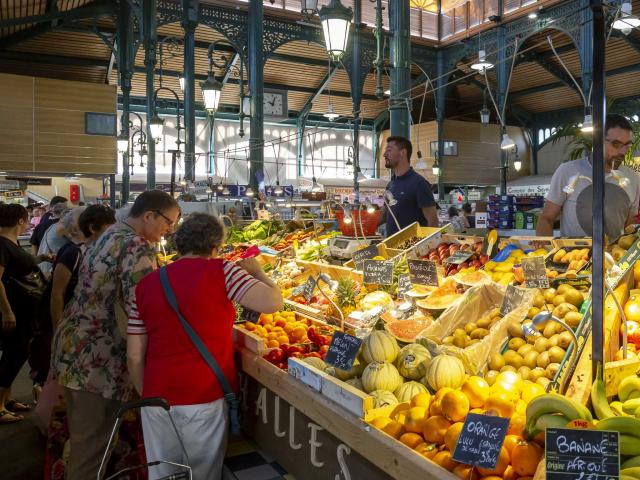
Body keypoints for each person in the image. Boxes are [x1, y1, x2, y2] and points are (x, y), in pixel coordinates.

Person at [127, 213, 283, 479]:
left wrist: (148, 392)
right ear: (216, 246)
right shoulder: (223, 271)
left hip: (156, 396)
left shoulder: (143, 286)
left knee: (163, 474)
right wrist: (257, 272)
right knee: (202, 474)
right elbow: (273, 302)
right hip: (204, 395)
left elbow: (134, 354)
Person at [51, 190, 180, 480]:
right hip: (99, 360)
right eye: (168, 222)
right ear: (149, 216)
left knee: (85, 441)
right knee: (93, 449)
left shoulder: (109, 235)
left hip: (75, 349)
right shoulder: (137, 246)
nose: (169, 230)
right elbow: (146, 305)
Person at [537, 114, 640, 238]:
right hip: (573, 255)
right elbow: (546, 219)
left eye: (627, 145)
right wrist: (546, 249)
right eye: (616, 144)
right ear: (598, 141)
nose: (623, 152)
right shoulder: (567, 172)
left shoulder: (632, 178)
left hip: (614, 255)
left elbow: (630, 226)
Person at [0, 204, 52, 424]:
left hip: (21, 309)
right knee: (14, 354)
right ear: (20, 221)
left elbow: (18, 265)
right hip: (14, 310)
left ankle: (7, 399)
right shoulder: (2, 244)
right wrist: (7, 311)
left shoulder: (10, 244)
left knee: (16, 354)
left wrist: (43, 258)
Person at [383, 136, 438, 236]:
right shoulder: (390, 185)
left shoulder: (419, 184)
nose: (384, 154)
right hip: (391, 248)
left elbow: (433, 222)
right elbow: (385, 215)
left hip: (413, 249)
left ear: (402, 152)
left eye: (389, 150)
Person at [37, 203, 73, 275]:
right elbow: (78, 242)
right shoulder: (63, 227)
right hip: (51, 266)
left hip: (44, 264)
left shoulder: (53, 226)